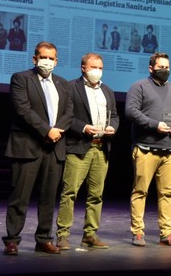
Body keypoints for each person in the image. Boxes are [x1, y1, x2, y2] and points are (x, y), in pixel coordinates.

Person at [1, 41, 74, 255]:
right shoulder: (21, 79)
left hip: (54, 147)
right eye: (44, 57)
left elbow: (69, 113)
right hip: (27, 146)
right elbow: (23, 110)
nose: (47, 62)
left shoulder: (63, 83)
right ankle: (12, 240)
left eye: (51, 58)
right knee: (20, 196)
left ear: (57, 61)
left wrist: (57, 131)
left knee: (48, 198)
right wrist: (46, 131)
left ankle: (43, 239)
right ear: (35, 59)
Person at [125, 52, 171, 247]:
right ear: (151, 68)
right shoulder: (139, 87)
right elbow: (131, 111)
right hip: (145, 148)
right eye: (161, 67)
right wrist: (155, 125)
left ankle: (167, 233)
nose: (165, 70)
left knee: (167, 193)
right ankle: (137, 232)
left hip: (170, 149)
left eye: (167, 67)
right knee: (140, 191)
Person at [56, 53, 119, 250]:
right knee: (70, 192)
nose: (97, 72)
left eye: (100, 68)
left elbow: (115, 116)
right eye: (93, 67)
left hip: (101, 148)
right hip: (79, 147)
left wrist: (113, 128)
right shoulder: (71, 87)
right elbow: (66, 116)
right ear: (83, 68)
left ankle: (90, 235)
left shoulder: (107, 90)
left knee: (96, 195)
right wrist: (83, 128)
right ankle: (62, 235)